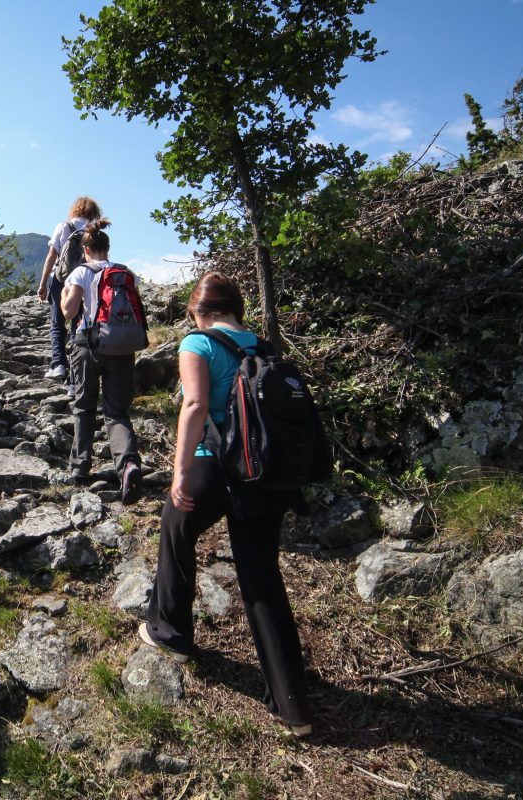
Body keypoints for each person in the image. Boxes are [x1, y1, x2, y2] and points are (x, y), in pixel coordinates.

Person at [139, 271, 313, 736]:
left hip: (214, 463)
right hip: (266, 472)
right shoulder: (265, 347)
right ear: (236, 307)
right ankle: (293, 705)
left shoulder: (198, 344)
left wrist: (179, 473)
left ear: (197, 309)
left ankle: (170, 633)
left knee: (176, 528)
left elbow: (194, 406)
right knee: (261, 575)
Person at [58, 219, 142, 502]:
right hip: (122, 348)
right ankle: (128, 463)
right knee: (117, 411)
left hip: (88, 345)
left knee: (84, 406)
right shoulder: (126, 273)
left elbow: (69, 312)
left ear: (86, 250)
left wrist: (63, 295)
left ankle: (81, 468)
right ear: (107, 248)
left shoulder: (81, 272)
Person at [37, 196, 103, 384]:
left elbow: (52, 257)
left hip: (60, 279)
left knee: (57, 324)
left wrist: (43, 284)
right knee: (78, 325)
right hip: (84, 280)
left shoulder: (63, 226)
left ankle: (58, 365)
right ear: (93, 213)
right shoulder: (93, 230)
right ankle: (76, 373)